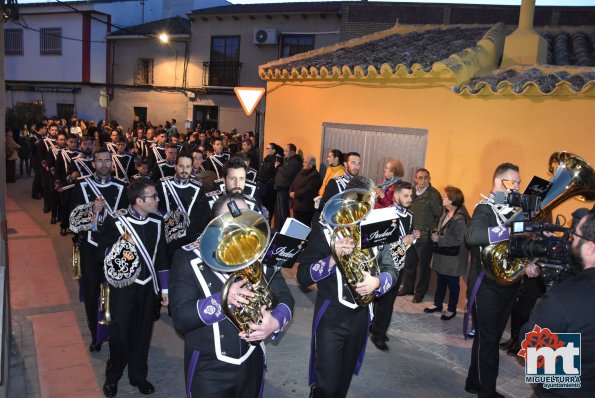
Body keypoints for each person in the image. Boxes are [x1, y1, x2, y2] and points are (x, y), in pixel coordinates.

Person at [169, 193, 294, 398]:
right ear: (216, 225)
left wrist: (276, 321)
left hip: (252, 358)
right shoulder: (186, 257)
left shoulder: (259, 252)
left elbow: (285, 297)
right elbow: (181, 318)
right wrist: (222, 300)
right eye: (233, 220)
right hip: (208, 367)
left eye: (246, 218)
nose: (241, 227)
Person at [296, 176, 400, 397]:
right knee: (326, 384)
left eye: (370, 203)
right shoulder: (325, 230)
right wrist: (332, 259)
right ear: (347, 199)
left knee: (343, 382)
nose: (367, 210)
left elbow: (392, 270)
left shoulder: (377, 228)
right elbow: (303, 276)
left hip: (361, 317)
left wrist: (377, 282)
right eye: (362, 202)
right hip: (331, 316)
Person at [465, 162, 540, 398]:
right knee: (488, 342)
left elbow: (514, 249)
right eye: (515, 182)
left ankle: (473, 383)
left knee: (491, 338)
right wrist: (509, 230)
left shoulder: (514, 210)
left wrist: (527, 264)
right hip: (485, 286)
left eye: (519, 181)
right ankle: (486, 392)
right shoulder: (485, 209)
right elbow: (472, 236)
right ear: (499, 183)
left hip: (507, 283)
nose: (519, 186)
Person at [98, 179, 169, 397]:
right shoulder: (117, 222)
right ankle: (113, 377)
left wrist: (164, 290)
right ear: (139, 201)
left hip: (148, 289)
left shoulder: (157, 222)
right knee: (120, 337)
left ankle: (138, 376)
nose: (158, 200)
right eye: (153, 196)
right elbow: (104, 252)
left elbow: (162, 258)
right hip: (123, 290)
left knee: (143, 334)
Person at [519, 207, 595, 398]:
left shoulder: (562, 299)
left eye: (575, 237)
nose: (571, 242)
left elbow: (532, 349)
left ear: (590, 248)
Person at [69, 149, 129, 352]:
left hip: (113, 248)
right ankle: (96, 336)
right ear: (93, 164)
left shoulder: (122, 187)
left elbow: (127, 218)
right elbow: (72, 219)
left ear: (112, 163)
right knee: (92, 291)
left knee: (115, 291)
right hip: (89, 247)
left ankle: (114, 332)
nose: (104, 164)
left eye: (107, 161)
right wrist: (91, 211)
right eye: (99, 161)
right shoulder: (82, 185)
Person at [369, 180, 416, 351]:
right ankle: (378, 334)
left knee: (387, 299)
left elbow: (405, 241)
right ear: (395, 196)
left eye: (411, 195)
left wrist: (412, 237)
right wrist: (401, 241)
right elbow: (378, 240)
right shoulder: (385, 213)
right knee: (385, 300)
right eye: (405, 195)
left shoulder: (409, 216)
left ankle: (376, 327)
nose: (409, 198)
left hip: (400, 262)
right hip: (385, 263)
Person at [424, 186, 470, 320]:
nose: (442, 198)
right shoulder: (447, 212)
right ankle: (438, 304)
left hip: (453, 258)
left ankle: (451, 309)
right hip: (444, 255)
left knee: (453, 283)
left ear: (451, 200)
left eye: (445, 197)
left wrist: (440, 239)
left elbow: (458, 239)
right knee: (441, 280)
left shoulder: (460, 218)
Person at [398, 168, 443, 302]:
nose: (423, 180)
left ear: (429, 179)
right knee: (409, 263)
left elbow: (438, 214)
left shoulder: (434, 195)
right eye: (420, 177)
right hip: (410, 234)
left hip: (424, 235)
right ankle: (407, 287)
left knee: (423, 267)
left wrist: (431, 230)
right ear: (415, 179)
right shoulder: (411, 192)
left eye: (425, 177)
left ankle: (420, 292)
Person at [156, 153, 206, 257]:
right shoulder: (162, 184)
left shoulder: (198, 188)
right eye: (181, 166)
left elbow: (200, 216)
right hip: (164, 237)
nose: (184, 169)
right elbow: (155, 209)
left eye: (188, 166)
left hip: (187, 239)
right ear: (175, 166)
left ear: (192, 168)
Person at [273, 143, 302, 229]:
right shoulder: (288, 161)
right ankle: (279, 229)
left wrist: (279, 167)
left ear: (292, 152)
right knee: (279, 211)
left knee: (283, 212)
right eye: (284, 150)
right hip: (280, 188)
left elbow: (288, 174)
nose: (284, 153)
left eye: (286, 151)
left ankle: (285, 230)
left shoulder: (295, 162)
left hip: (285, 189)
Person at [289, 155, 322, 227]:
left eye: (306, 162)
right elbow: (294, 182)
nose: (303, 164)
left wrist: (296, 194)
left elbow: (309, 189)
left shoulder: (315, 175)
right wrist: (291, 191)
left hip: (306, 207)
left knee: (304, 227)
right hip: (297, 205)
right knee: (296, 226)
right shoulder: (302, 172)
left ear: (311, 163)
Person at [257, 143, 283, 217]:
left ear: (274, 150)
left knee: (269, 207)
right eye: (266, 148)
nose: (266, 150)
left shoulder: (277, 159)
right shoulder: (267, 158)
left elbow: (276, 173)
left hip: (270, 188)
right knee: (262, 206)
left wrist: (270, 182)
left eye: (268, 148)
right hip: (262, 186)